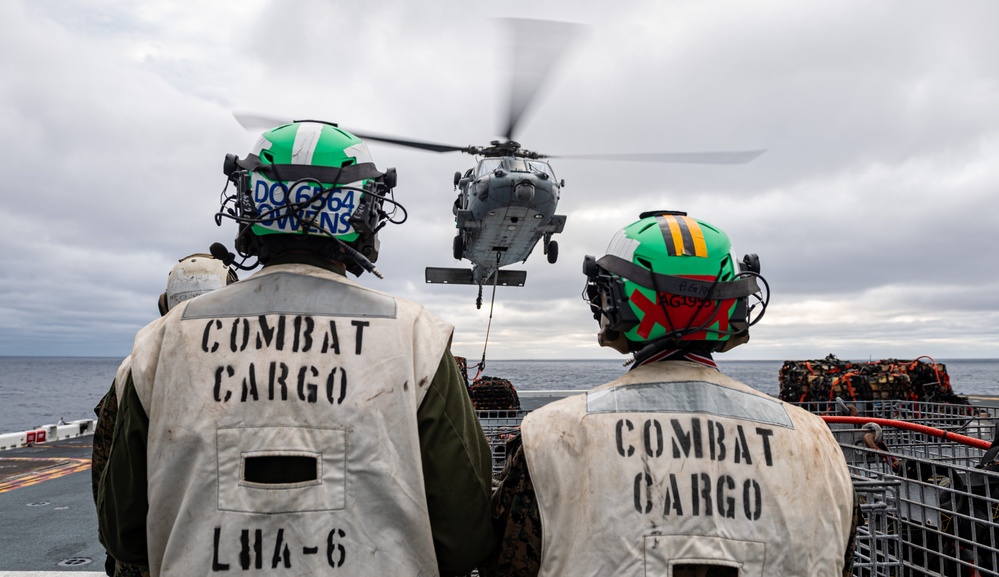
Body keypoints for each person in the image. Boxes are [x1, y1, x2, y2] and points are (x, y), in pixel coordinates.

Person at [97, 121, 494, 576]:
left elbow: (123, 534)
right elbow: (466, 535)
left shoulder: (161, 342)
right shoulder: (415, 336)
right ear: (363, 212)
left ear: (249, 206)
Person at [481, 210, 861, 576]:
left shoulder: (549, 438)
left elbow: (505, 563)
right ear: (736, 307)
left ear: (613, 301)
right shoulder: (819, 443)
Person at [92, 253, 237, 577]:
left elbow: (108, 474)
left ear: (164, 306)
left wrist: (119, 555)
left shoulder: (136, 369)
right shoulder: (250, 371)